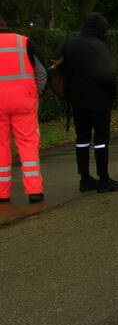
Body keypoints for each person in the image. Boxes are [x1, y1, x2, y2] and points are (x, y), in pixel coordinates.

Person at [59, 13, 118, 193]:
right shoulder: (99, 46)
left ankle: (84, 178)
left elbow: (59, 69)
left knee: (82, 139)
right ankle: (104, 179)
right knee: (101, 140)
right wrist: (112, 95)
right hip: (99, 100)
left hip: (76, 100)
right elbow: (108, 75)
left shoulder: (69, 44)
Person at [0, 17, 48, 203]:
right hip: (24, 100)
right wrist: (36, 93)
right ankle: (34, 190)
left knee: (1, 146)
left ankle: (2, 193)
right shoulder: (23, 42)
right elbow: (42, 72)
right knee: (28, 143)